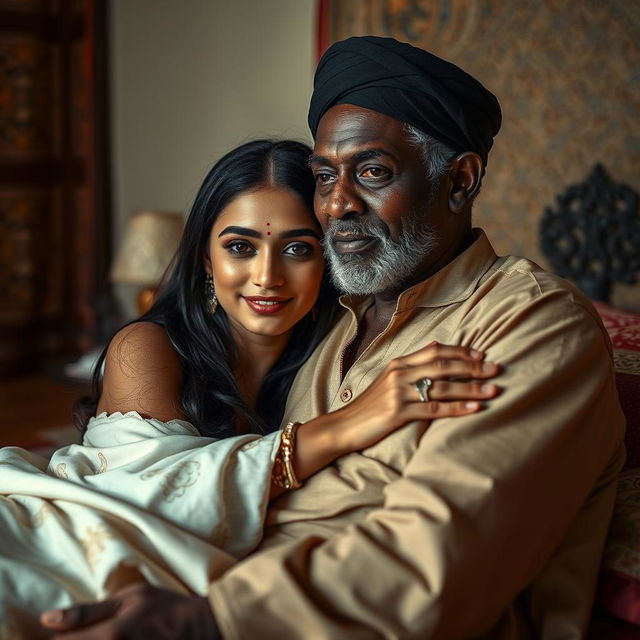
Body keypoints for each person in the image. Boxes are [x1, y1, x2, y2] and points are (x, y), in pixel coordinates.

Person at [40, 37, 625, 639]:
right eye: (324, 176)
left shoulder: (529, 323)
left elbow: (444, 548)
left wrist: (213, 619)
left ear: (460, 180)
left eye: (372, 172)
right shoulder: (330, 326)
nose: (338, 203)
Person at [0, 138, 497, 637]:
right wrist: (346, 426)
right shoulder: (147, 347)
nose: (267, 276)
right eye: (240, 247)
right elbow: (148, 498)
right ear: (206, 260)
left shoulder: (334, 360)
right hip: (43, 544)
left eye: (298, 249)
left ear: (328, 260)